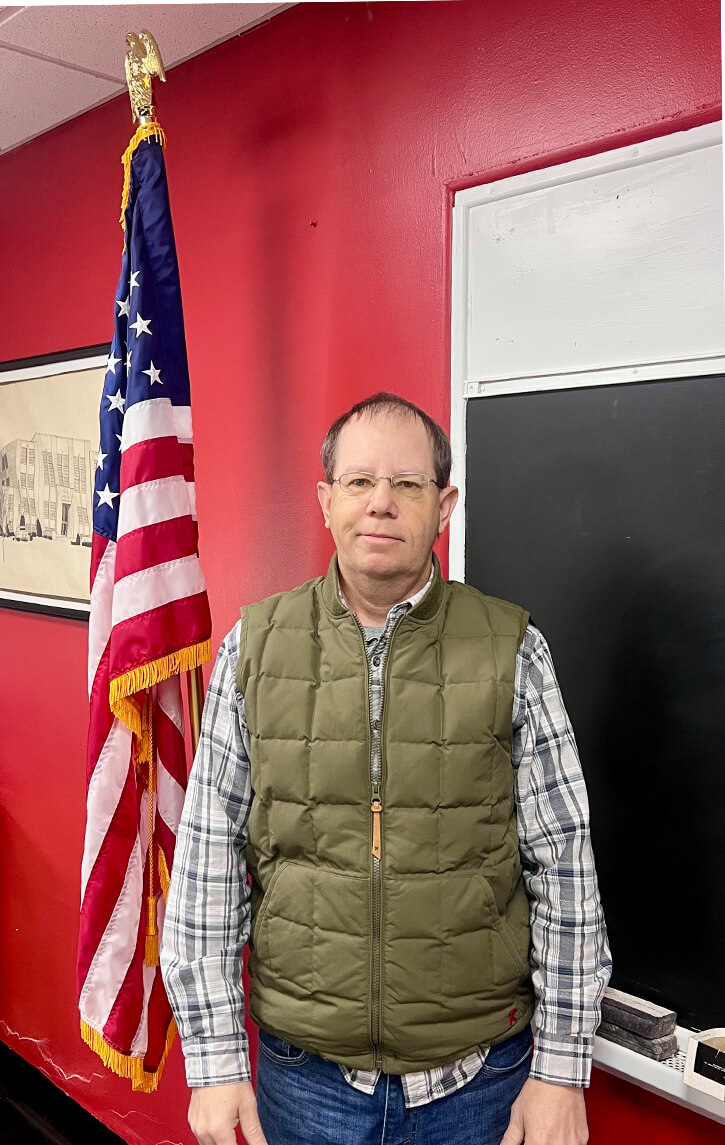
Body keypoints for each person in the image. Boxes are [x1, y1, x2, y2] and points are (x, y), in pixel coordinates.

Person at [161, 392, 612, 1145]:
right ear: (325, 500)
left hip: (478, 1084)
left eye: (407, 484)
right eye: (359, 481)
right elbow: (208, 861)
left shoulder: (512, 651)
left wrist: (560, 1070)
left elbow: (562, 868)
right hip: (304, 1082)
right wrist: (213, 1064)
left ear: (443, 505)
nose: (381, 503)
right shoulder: (254, 648)